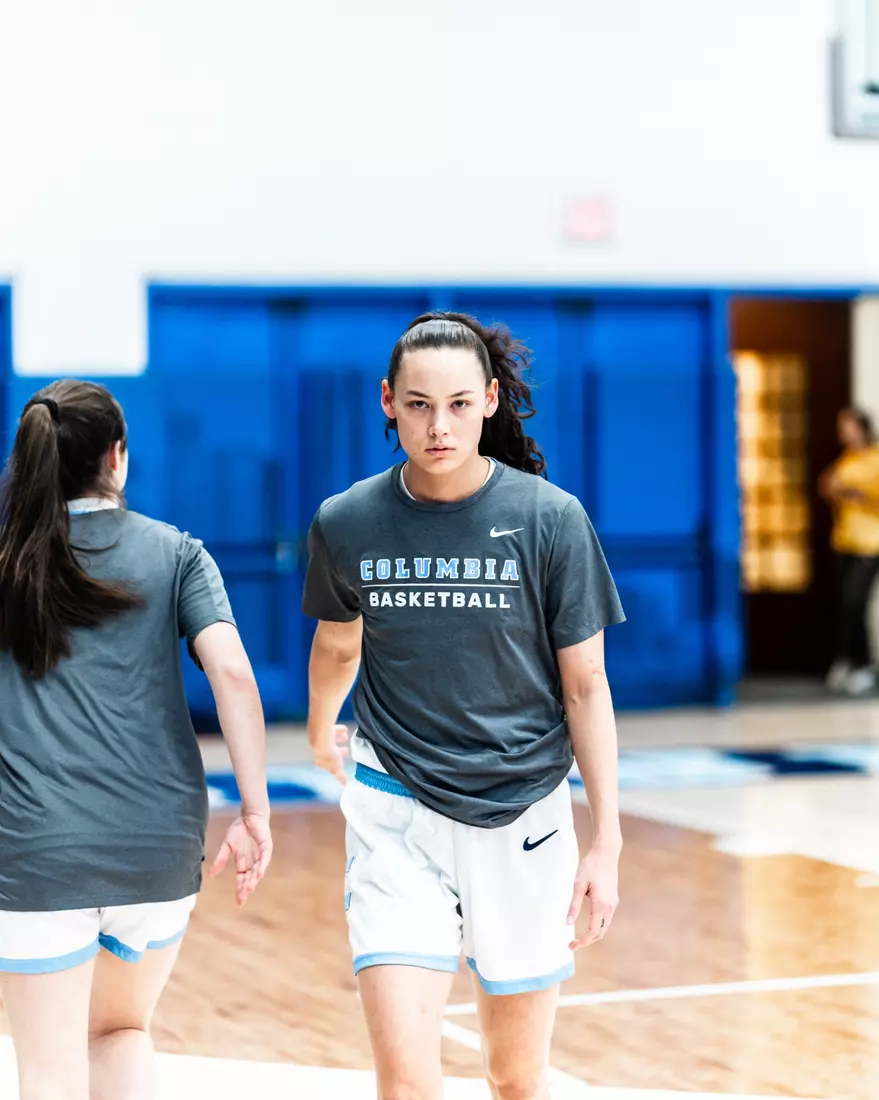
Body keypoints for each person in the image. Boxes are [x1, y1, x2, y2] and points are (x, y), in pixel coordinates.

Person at [303, 312, 625, 1099]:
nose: (437, 427)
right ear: (387, 401)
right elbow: (338, 644)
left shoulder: (551, 519)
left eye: (455, 404)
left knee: (514, 1079)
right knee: (406, 1085)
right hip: (392, 811)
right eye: (418, 405)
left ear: (488, 400)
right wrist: (319, 730)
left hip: (523, 816)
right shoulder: (347, 520)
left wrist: (606, 840)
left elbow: (585, 684)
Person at [0, 381, 273, 1100]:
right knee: (120, 1033)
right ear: (116, 457)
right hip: (157, 847)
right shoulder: (177, 552)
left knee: (49, 1070)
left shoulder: (5, 562)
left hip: (35, 849)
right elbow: (233, 674)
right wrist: (254, 811)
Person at [819, 406, 879, 696]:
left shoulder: (874, 459)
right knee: (845, 605)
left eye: (848, 427)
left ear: (862, 428)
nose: (843, 433)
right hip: (845, 541)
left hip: (870, 544)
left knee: (856, 603)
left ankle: (864, 664)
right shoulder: (846, 459)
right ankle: (849, 658)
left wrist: (850, 492)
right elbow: (826, 486)